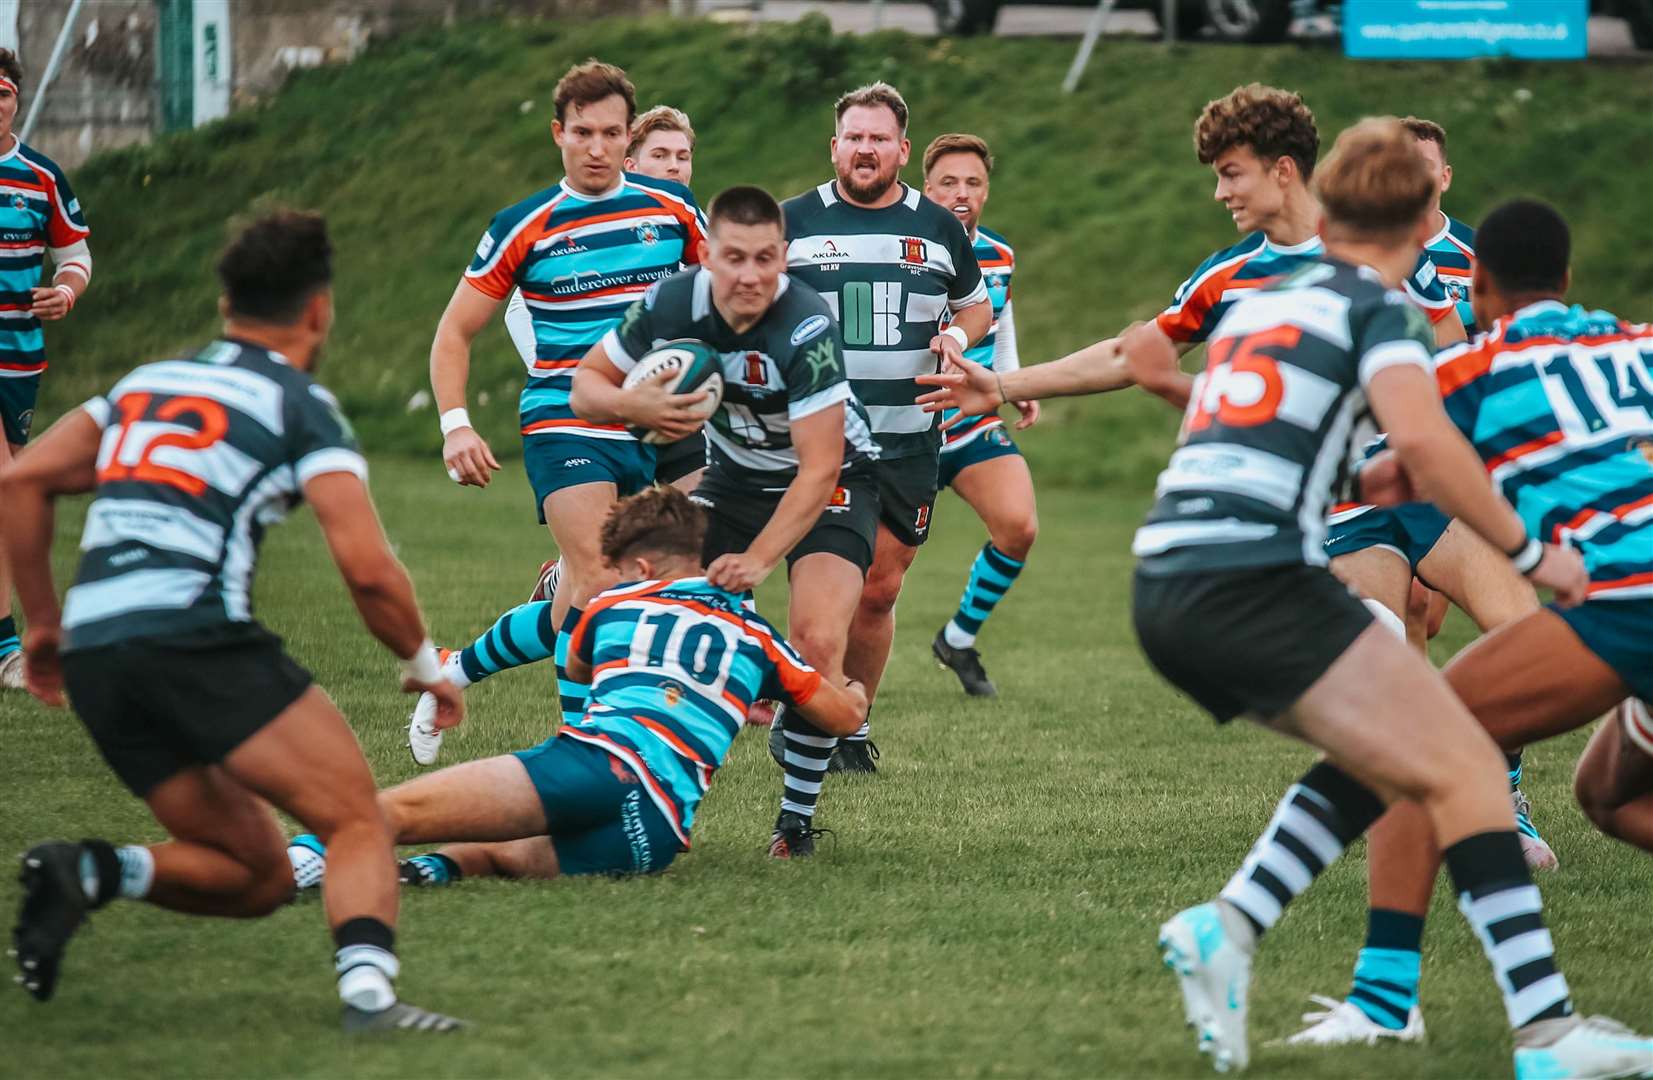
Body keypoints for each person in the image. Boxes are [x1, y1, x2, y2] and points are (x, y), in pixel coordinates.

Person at [920, 119, 1653, 1079]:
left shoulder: (1275, 303)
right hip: (1264, 572)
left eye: (1230, 175)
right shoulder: (1375, 307)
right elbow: (1423, 449)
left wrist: (1159, 389)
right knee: (1453, 755)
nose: (1223, 192)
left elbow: (1295, 430)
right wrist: (1530, 550)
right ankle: (1539, 1032)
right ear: (1422, 221)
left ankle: (1259, 937)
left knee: (1423, 751)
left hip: (1173, 573)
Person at [2, 211, 464, 1032]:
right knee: (356, 817)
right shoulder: (301, 406)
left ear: (225, 303)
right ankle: (370, 1001)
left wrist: (41, 625)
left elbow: (22, 482)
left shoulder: (142, 385)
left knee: (259, 876)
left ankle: (93, 872)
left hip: (101, 657)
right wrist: (427, 664)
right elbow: (366, 569)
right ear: (318, 310)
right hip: (193, 638)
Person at [1289, 197, 1653, 1053]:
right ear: (1565, 279)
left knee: (1421, 741)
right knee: (1606, 793)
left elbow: (1379, 473)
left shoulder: (1473, 369)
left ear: (1476, 280)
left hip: (1625, 600)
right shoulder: (1629, 342)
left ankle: (1381, 1000)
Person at [288, 486, 868, 887]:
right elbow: (839, 718)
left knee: (400, 810)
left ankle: (300, 861)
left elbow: (585, 668)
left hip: (599, 765)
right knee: (498, 856)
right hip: (657, 832)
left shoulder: (611, 602)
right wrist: (855, 699)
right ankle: (419, 873)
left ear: (639, 569)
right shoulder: (759, 637)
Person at [573, 183, 881, 856]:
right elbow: (584, 387)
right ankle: (600, 764)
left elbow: (820, 468)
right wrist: (640, 407)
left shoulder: (805, 327)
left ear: (783, 256)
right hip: (734, 479)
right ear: (707, 254)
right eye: (734, 258)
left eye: (766, 259)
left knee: (816, 643)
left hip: (834, 484)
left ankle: (794, 823)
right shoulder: (671, 300)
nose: (750, 275)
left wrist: (760, 560)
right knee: (624, 583)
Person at [429, 59, 705, 732]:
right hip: (566, 421)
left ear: (624, 136)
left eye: (611, 133)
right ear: (559, 133)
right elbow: (453, 334)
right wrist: (457, 426)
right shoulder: (525, 224)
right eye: (583, 132)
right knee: (602, 582)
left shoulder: (672, 211)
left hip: (664, 420)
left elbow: (720, 306)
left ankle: (455, 669)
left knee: (686, 584)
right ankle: (590, 754)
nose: (597, 148)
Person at [770, 81, 990, 799]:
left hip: (910, 442)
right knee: (829, 597)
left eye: (878, 138)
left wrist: (957, 337)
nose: (864, 149)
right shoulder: (791, 222)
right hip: (826, 445)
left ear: (901, 148)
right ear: (833, 146)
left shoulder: (938, 226)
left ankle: (850, 720)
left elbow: (975, 303)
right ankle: (811, 720)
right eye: (852, 137)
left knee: (881, 590)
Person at [505, 104, 707, 502]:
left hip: (672, 400)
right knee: (607, 548)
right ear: (629, 164)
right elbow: (519, 309)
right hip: (602, 413)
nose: (674, 167)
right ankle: (563, 569)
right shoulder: (589, 221)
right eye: (660, 155)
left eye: (683, 157)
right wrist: (575, 382)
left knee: (702, 531)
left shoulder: (692, 226)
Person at [920, 133, 1038, 699]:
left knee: (1019, 527)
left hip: (972, 425)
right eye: (949, 182)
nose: (961, 193)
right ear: (926, 187)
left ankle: (958, 639)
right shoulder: (899, 249)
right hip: (905, 429)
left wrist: (1013, 383)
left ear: (986, 192)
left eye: (973, 183)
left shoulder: (1000, 255)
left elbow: (1001, 323)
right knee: (870, 574)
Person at [0, 48, 93, 690]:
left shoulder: (41, 176)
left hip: (20, 359)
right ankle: (13, 645)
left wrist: (65, 290)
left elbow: (76, 253)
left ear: (15, 100)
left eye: (1, 92)